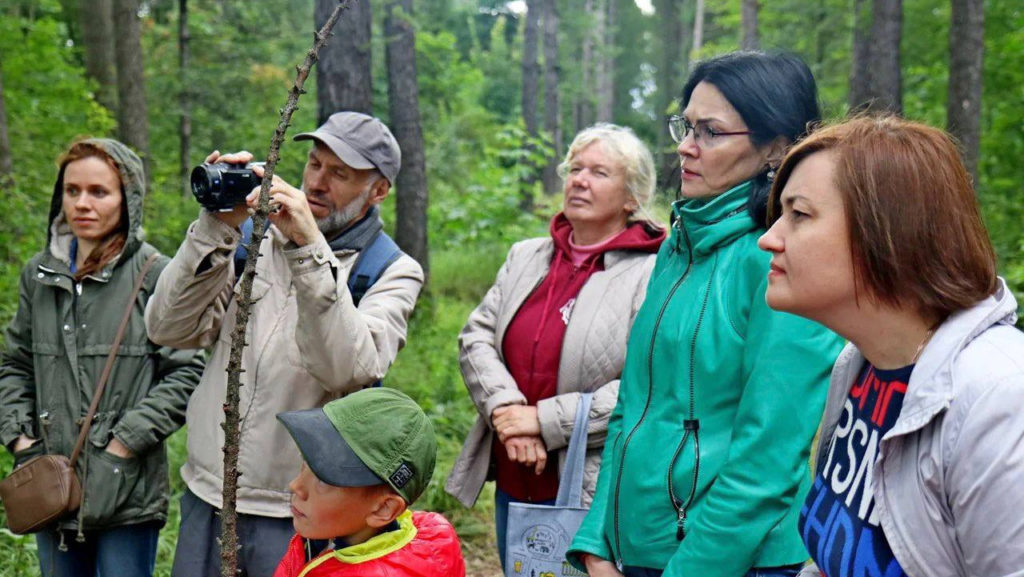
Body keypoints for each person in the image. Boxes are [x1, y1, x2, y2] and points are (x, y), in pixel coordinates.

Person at [567, 52, 845, 577]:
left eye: (711, 132)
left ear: (776, 147)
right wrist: (596, 539)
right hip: (640, 549)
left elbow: (769, 459)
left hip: (736, 561)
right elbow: (633, 404)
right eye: (686, 125)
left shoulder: (780, 259)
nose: (685, 147)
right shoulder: (681, 244)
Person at [145, 111, 425, 577]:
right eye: (314, 164)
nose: (317, 182)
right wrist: (215, 228)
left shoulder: (392, 270)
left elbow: (347, 370)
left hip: (303, 509)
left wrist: (308, 250)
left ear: (378, 191)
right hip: (210, 492)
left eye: (339, 174)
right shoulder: (251, 239)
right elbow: (167, 328)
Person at [757, 116, 1024, 577]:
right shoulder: (860, 365)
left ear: (887, 233)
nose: (769, 239)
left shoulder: (999, 400)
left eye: (798, 215)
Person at [445, 123, 665, 568]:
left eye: (599, 172)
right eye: (575, 168)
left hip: (591, 485)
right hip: (515, 467)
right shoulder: (526, 256)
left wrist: (543, 421)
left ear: (632, 196)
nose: (579, 179)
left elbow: (647, 383)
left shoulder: (653, 272)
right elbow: (476, 337)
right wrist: (508, 414)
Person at [0, 138, 205, 577]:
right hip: (51, 487)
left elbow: (187, 372)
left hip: (126, 492)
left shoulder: (155, 274)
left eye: (99, 192)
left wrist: (123, 445)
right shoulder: (39, 275)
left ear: (127, 199)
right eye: (72, 191)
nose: (82, 204)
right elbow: (14, 364)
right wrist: (22, 442)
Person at [272, 387, 465, 577]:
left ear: (384, 509)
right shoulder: (329, 536)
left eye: (323, 480)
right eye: (305, 464)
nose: (296, 486)